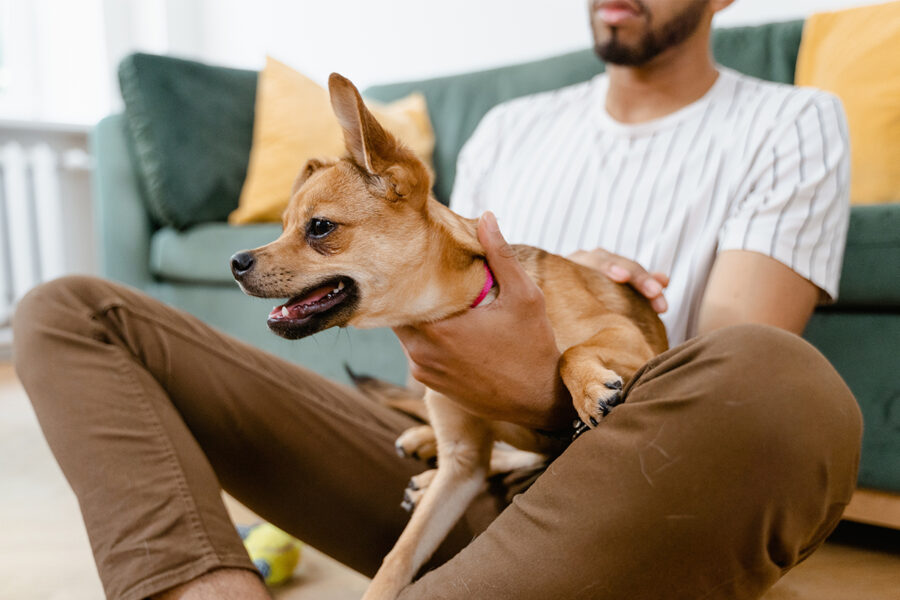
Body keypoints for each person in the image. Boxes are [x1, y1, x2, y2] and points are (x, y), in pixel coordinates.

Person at [13, 1, 861, 599]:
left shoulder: (792, 122)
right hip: (452, 468)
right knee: (67, 310)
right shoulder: (511, 124)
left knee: (777, 374)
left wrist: (552, 354)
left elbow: (723, 379)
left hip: (630, 482)